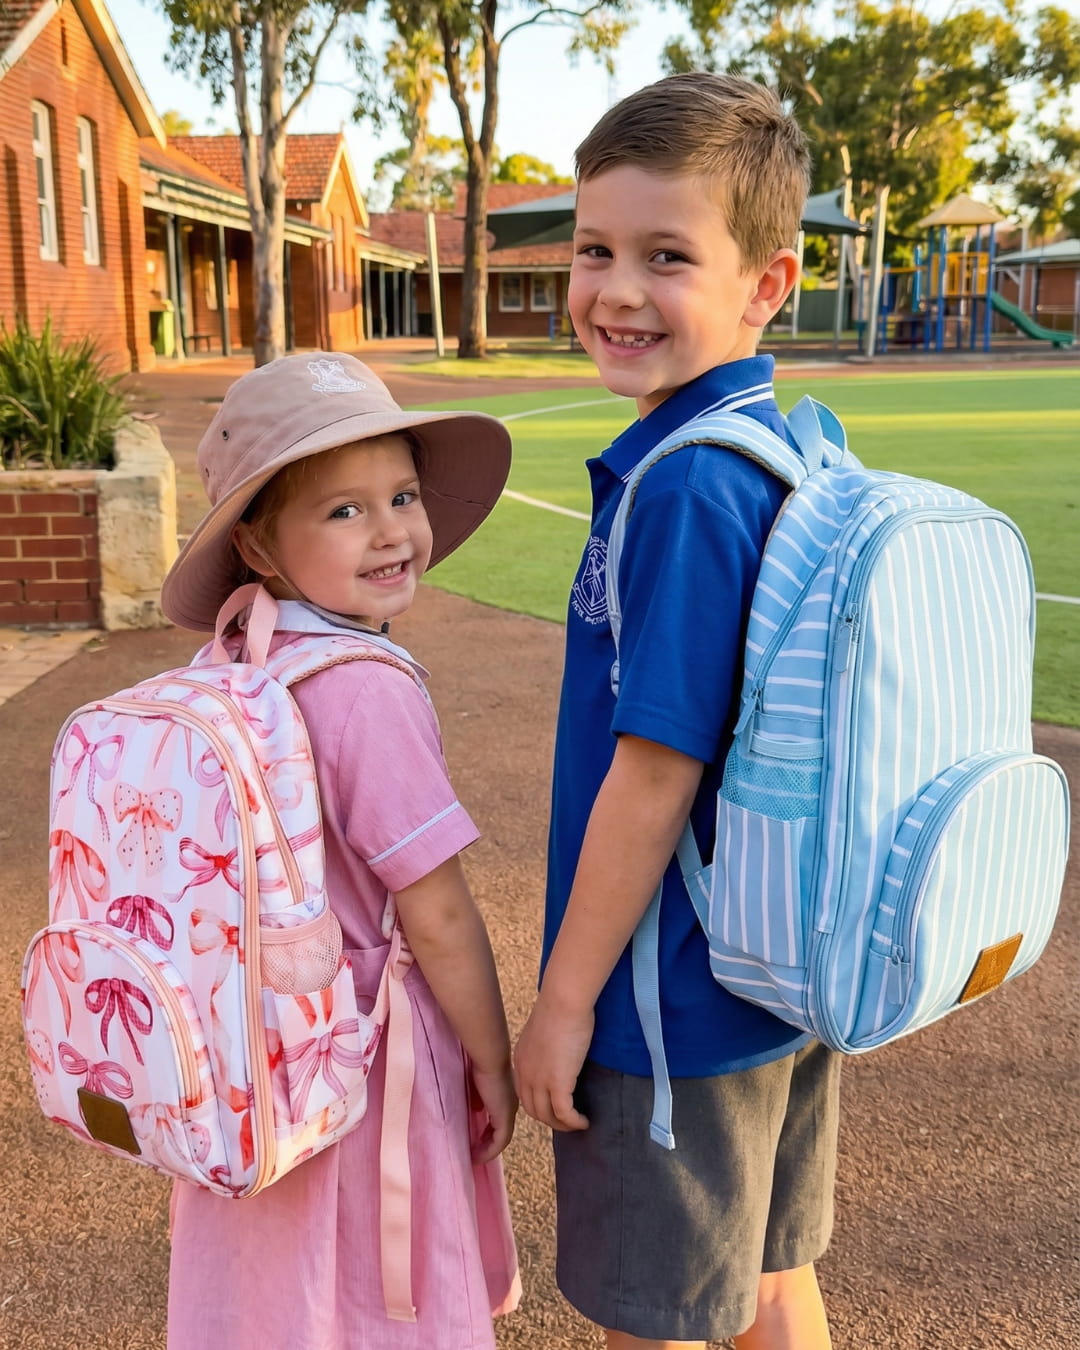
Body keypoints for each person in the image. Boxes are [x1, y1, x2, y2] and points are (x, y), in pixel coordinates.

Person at [513, 73, 840, 1350]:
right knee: (769, 1285)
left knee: (651, 1320)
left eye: (667, 256)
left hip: (668, 1005)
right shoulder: (780, 445)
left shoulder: (691, 487)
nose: (617, 291)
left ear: (767, 282)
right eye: (595, 250)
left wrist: (564, 1004)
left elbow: (653, 778)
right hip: (772, 972)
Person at [159, 352, 520, 1350]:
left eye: (401, 496)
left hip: (243, 1048)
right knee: (372, 1271)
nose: (393, 530)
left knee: (269, 1276)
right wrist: (491, 1059)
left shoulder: (227, 662)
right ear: (258, 547)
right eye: (345, 511)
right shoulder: (365, 687)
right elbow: (435, 912)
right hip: (359, 1053)